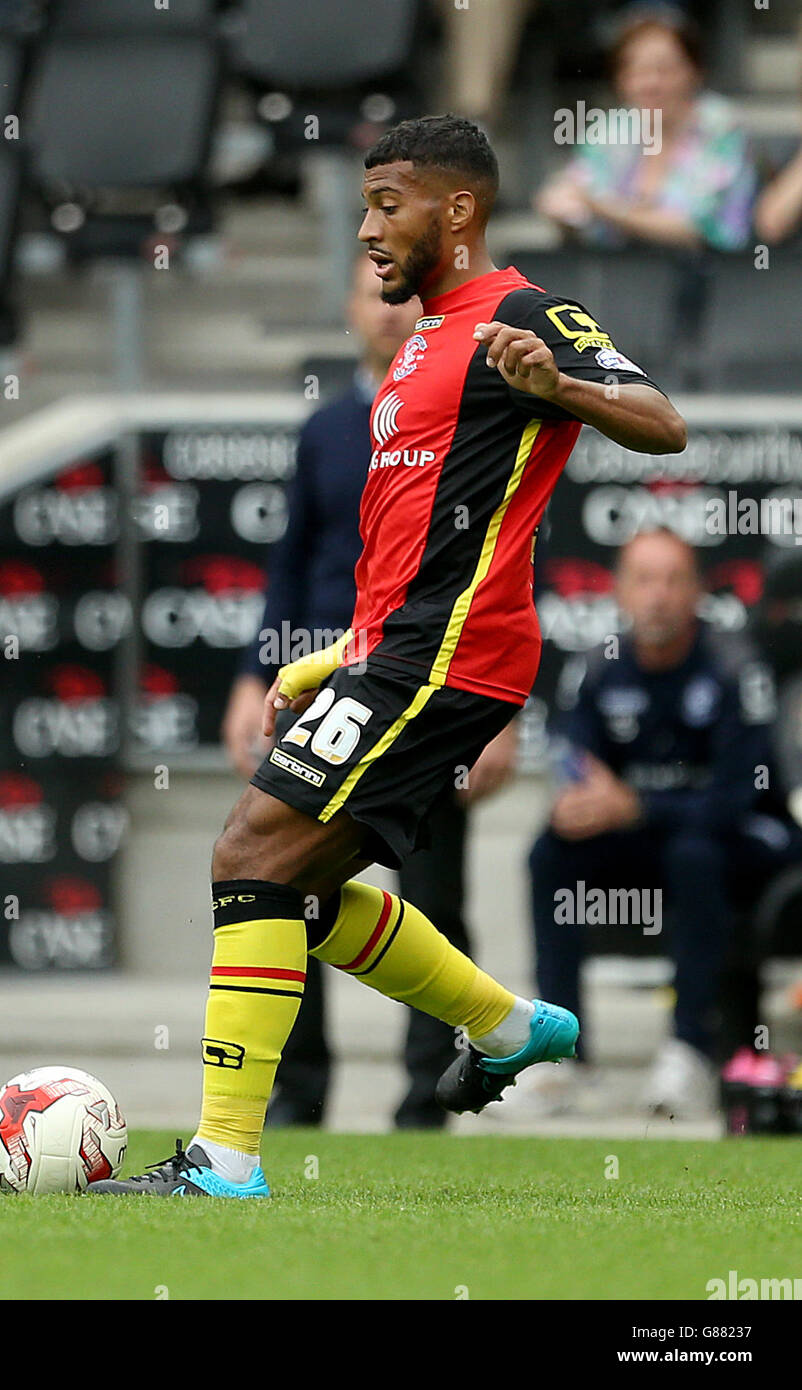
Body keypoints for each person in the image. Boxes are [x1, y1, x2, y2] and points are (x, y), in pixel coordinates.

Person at [87, 113, 686, 1200]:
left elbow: (662, 420)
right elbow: (413, 541)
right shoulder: (417, 343)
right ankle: (504, 1024)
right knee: (288, 895)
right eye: (365, 204)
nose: (368, 228)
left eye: (388, 203)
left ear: (457, 210)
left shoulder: (522, 310)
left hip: (454, 655)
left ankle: (225, 1161)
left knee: (247, 854)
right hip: (397, 648)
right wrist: (334, 655)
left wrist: (564, 388)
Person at [223, 255, 518, 1130]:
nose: (389, 313)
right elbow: (290, 564)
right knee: (280, 880)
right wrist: (252, 677)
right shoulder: (325, 431)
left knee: (435, 891)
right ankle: (294, 1095)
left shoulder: (468, 421)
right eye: (374, 294)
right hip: (316, 683)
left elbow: (502, 567)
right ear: (349, 309)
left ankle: (434, 1096)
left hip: (426, 681)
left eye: (404, 296)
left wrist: (503, 712)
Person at [528, 529, 798, 1118]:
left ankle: (689, 1051)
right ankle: (562, 1056)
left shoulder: (734, 668)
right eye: (644, 580)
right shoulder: (598, 669)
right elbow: (574, 762)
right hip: (643, 838)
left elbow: (738, 797)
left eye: (674, 580)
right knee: (551, 852)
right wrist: (576, 800)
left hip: (741, 840)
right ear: (620, 591)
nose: (659, 596)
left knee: (695, 852)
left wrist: (637, 806)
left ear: (698, 591)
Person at [535, 9, 756, 252]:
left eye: (664, 70)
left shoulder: (721, 128)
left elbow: (700, 229)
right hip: (622, 274)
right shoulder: (610, 129)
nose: (650, 83)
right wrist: (564, 210)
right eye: (636, 71)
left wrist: (601, 208)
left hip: (710, 277)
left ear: (695, 72)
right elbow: (574, 199)